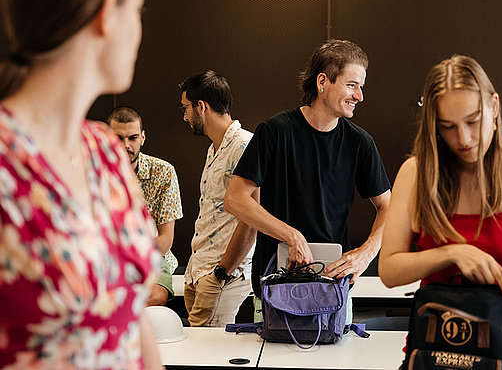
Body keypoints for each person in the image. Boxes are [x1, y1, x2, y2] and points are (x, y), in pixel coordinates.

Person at [0, 0, 163, 368]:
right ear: (107, 14)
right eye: (137, 10)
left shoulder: (104, 151)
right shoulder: (7, 161)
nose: (139, 30)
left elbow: (131, 314)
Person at [223, 39, 392, 319]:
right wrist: (290, 235)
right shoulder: (274, 132)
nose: (359, 96)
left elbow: (390, 207)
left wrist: (367, 252)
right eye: (352, 85)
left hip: (332, 289)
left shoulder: (360, 143)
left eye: (361, 87)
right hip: (274, 286)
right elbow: (235, 199)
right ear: (323, 81)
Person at [379, 55, 502, 336]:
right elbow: (388, 270)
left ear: (494, 106)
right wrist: (452, 253)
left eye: (473, 122)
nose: (464, 139)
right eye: (448, 126)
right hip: (439, 351)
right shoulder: (416, 173)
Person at [179, 71, 257, 327]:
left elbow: (252, 220)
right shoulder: (215, 147)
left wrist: (222, 272)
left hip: (221, 273)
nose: (185, 117)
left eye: (186, 108)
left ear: (202, 107)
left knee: (207, 362)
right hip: (200, 269)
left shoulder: (243, 145)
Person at [108, 106, 183, 306]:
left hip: (151, 255)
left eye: (132, 138)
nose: (126, 145)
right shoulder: (95, 171)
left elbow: (166, 239)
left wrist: (131, 256)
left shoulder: (163, 171)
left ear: (142, 138)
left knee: (156, 296)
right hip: (107, 256)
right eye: (118, 138)